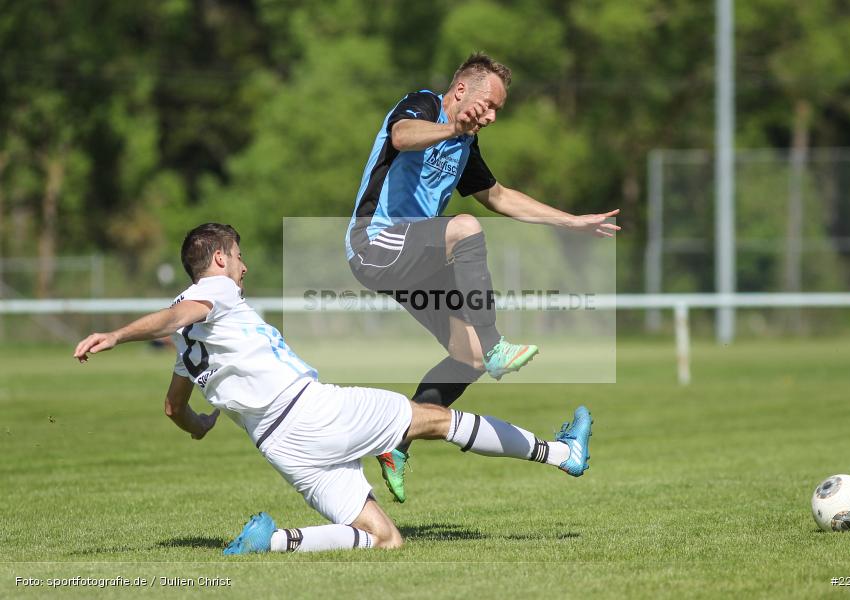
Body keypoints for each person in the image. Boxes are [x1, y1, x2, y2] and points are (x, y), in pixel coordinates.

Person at [73, 223, 594, 554]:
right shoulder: (213, 293)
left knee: (385, 540)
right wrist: (117, 334)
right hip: (313, 412)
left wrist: (202, 425)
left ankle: (274, 542)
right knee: (433, 419)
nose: (244, 266)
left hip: (280, 449)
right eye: (238, 256)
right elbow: (178, 312)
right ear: (217, 260)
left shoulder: (193, 343)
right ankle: (562, 452)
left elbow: (172, 407)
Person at [346, 52, 619, 502]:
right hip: (374, 244)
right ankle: (496, 345)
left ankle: (398, 442)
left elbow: (498, 195)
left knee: (466, 359)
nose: (491, 115)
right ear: (460, 91)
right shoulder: (422, 106)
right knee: (465, 228)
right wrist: (453, 127)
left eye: (498, 110)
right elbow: (401, 136)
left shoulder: (465, 143)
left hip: (415, 258)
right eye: (488, 104)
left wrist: (570, 221)